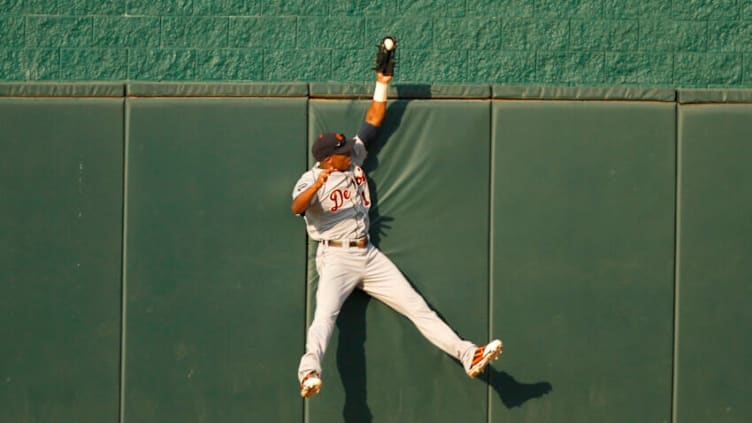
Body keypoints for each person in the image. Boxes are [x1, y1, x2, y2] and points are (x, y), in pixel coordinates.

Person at [291, 69, 502, 399]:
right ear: (328, 160)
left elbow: (373, 120)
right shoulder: (312, 178)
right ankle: (309, 372)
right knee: (324, 319)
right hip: (335, 256)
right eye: (342, 152)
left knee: (417, 307)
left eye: (347, 149)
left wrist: (382, 84)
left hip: (368, 254)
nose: (349, 152)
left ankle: (467, 354)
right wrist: (318, 184)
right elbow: (296, 207)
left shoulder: (353, 158)